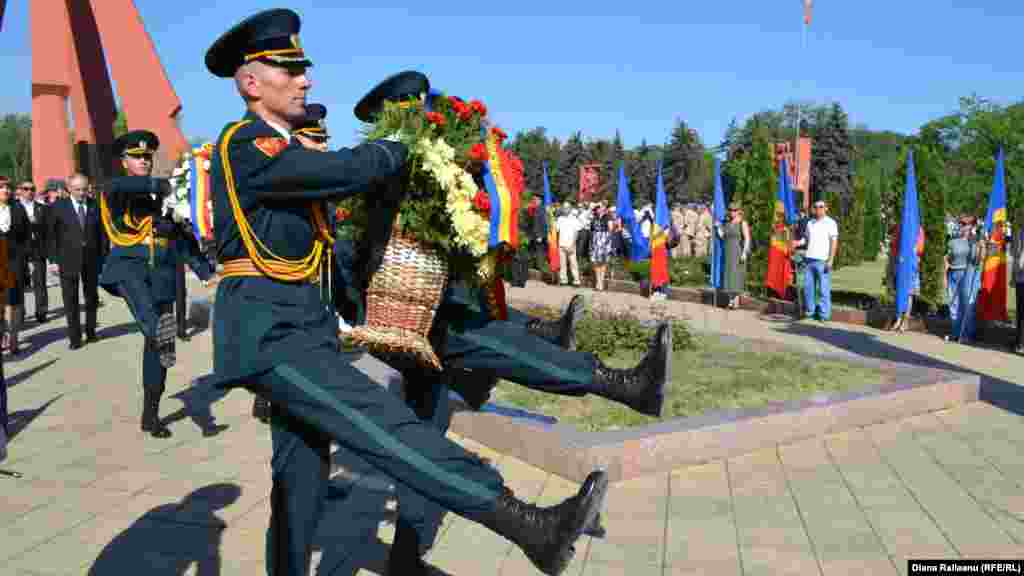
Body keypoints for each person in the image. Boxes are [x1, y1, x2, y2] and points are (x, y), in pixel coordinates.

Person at [205, 11, 606, 576]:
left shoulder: (280, 148)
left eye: (305, 70)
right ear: (251, 83)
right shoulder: (247, 143)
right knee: (386, 431)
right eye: (289, 70)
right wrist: (401, 140)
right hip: (272, 336)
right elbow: (347, 171)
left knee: (298, 483)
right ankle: (527, 524)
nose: (306, 81)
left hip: (295, 329)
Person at [99, 131, 206, 439]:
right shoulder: (117, 188)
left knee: (159, 350)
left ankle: (151, 413)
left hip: (160, 276)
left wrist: (204, 270)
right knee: (155, 326)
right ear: (124, 161)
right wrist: (159, 184)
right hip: (128, 270)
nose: (144, 161)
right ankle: (156, 329)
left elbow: (180, 238)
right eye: (137, 157)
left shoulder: (162, 197)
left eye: (147, 157)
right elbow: (119, 186)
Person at [49, 174, 106, 350]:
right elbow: (51, 236)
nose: (82, 193)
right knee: (70, 299)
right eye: (77, 189)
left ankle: (90, 331)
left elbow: (102, 234)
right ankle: (74, 337)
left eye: (84, 189)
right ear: (69, 189)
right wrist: (53, 260)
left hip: (91, 259)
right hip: (67, 260)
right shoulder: (58, 207)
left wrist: (103, 257)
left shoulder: (94, 206)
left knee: (91, 297)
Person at [793, 199, 839, 321]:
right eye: (816, 207)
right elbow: (806, 240)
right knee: (808, 289)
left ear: (826, 208)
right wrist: (797, 242)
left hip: (823, 261)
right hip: (809, 260)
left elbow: (834, 243)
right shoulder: (810, 223)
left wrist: (831, 260)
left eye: (821, 207)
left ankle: (824, 315)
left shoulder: (831, 223)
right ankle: (810, 312)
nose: (818, 209)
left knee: (824, 289)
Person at [0, 179, 28, 354]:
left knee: (13, 301)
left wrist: (23, 257)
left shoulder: (18, 209)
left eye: (8, 187)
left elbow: (26, 235)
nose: (6, 190)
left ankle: (13, 338)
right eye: (1, 187)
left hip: (13, 261)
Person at [17, 181, 49, 324]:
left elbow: (48, 231)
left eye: (32, 189)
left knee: (40, 283)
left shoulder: (42, 208)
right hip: (19, 252)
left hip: (37, 250)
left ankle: (41, 312)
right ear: (20, 191)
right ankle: (20, 314)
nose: (29, 191)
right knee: (19, 285)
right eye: (26, 189)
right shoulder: (14, 207)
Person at [944, 216, 981, 342]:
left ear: (972, 226)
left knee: (966, 304)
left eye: (966, 224)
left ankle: (966, 334)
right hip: (952, 274)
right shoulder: (953, 241)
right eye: (961, 224)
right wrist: (944, 276)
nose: (963, 226)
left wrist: (975, 240)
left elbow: (976, 259)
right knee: (953, 304)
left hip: (967, 275)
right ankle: (955, 332)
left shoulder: (974, 242)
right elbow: (947, 258)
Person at [886, 223, 925, 332]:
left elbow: (919, 249)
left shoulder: (918, 229)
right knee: (898, 291)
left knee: (909, 293)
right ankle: (898, 319)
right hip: (899, 263)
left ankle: (905, 321)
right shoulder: (900, 227)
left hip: (911, 265)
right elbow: (893, 245)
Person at [716, 202, 750, 309]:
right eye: (731, 210)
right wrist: (718, 227)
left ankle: (735, 302)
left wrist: (744, 252)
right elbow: (722, 236)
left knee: (736, 275)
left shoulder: (742, 223)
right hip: (728, 251)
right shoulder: (727, 222)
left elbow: (747, 238)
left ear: (739, 211)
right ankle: (731, 300)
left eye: (735, 210)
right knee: (729, 275)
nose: (732, 212)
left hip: (737, 251)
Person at [589, 203, 614, 290]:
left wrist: (608, 242)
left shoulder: (608, 217)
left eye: (601, 207)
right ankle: (598, 281)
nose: (599, 209)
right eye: (597, 208)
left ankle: (601, 283)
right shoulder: (594, 218)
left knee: (603, 262)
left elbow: (611, 229)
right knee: (595, 262)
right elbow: (591, 230)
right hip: (595, 240)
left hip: (604, 240)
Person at [555, 207, 582, 286]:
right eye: (564, 208)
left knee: (573, 264)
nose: (565, 209)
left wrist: (573, 244)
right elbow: (557, 230)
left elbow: (576, 233)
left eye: (567, 208)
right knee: (562, 264)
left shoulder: (574, 219)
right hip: (561, 244)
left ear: (570, 209)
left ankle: (576, 281)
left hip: (571, 244)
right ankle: (563, 280)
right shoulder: (560, 219)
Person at [1013, 220, 1024, 354]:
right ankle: (1020, 342)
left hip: (1021, 277)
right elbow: (1017, 257)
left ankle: (1020, 343)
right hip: (1021, 279)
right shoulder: (1019, 233)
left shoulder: (1019, 233)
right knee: (1021, 313)